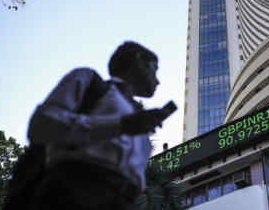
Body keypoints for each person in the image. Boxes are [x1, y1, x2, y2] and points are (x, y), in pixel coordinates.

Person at [26, 41, 170, 210]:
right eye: (155, 69)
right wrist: (121, 125)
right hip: (76, 192)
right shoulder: (88, 80)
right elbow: (42, 124)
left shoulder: (140, 118)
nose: (158, 81)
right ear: (139, 60)